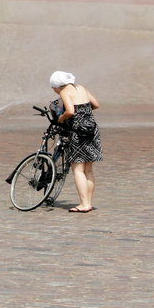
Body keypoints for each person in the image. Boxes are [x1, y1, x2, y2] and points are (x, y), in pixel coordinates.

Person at [49, 71, 102, 213]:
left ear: (57, 86)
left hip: (77, 131)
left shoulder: (64, 92)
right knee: (88, 170)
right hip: (91, 129)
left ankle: (83, 204)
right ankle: (88, 203)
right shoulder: (82, 88)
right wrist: (84, 111)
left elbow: (70, 111)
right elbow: (96, 104)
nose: (54, 91)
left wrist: (61, 118)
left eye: (53, 88)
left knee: (78, 169)